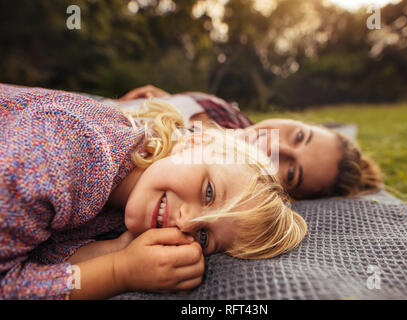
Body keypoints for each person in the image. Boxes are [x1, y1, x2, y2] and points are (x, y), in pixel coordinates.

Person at [0, 84, 306, 299]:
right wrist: (118, 272)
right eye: (209, 193)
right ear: (197, 143)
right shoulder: (57, 153)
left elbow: (40, 250)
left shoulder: (134, 193)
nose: (187, 223)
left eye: (203, 237)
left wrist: (118, 248)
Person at [103, 85, 383, 200]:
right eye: (299, 136)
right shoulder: (225, 112)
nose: (277, 148)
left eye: (291, 172)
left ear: (284, 195)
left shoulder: (193, 182)